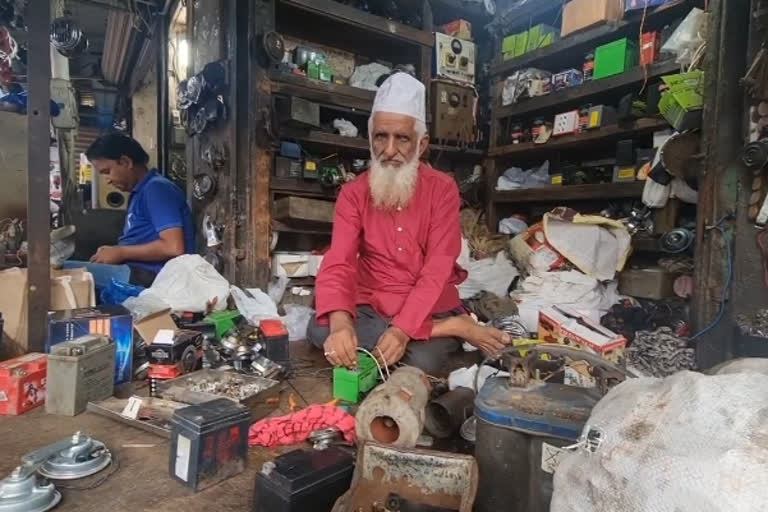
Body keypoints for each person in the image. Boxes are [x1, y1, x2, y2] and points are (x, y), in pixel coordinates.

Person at [307, 73, 510, 376]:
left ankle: (442, 324)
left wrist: (402, 330)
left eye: (402, 138)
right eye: (380, 137)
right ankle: (450, 328)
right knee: (322, 332)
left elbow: (436, 269)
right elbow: (339, 262)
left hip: (428, 303)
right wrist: (340, 324)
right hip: (372, 302)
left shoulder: (442, 189)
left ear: (421, 143)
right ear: (370, 137)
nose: (389, 151)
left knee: (420, 363)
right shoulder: (353, 193)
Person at [62, 134, 195, 288]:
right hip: (136, 271)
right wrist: (113, 252)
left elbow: (173, 247)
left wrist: (121, 252)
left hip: (152, 277)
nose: (107, 180)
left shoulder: (157, 189)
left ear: (126, 162)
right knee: (61, 270)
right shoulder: (140, 192)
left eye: (107, 171)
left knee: (61, 273)